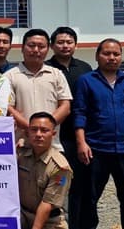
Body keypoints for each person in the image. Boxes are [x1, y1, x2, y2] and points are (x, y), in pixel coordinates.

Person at [73, 38, 124, 229]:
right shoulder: (86, 81)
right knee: (89, 199)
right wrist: (81, 143)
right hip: (95, 150)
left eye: (116, 54)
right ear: (97, 56)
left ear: (121, 57)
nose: (111, 57)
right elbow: (79, 113)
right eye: (106, 53)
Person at [44, 26, 93, 228]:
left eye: (69, 42)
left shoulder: (85, 69)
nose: (65, 46)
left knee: (81, 186)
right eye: (61, 42)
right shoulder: (46, 68)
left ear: (75, 45)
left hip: (81, 138)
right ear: (52, 45)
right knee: (55, 184)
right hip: (55, 137)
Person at [5, 29, 72, 150]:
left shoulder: (56, 74)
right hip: (21, 145)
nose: (36, 50)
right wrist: (31, 129)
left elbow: (65, 106)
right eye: (31, 45)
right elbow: (8, 108)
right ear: (22, 48)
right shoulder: (9, 76)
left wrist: (45, 128)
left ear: (48, 49)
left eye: (41, 46)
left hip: (52, 146)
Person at [17, 112, 72, 229]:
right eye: (34, 129)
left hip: (49, 222)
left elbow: (47, 204)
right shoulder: (20, 154)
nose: (38, 134)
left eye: (44, 130)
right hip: (22, 216)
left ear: (53, 134)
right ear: (27, 132)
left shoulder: (60, 167)